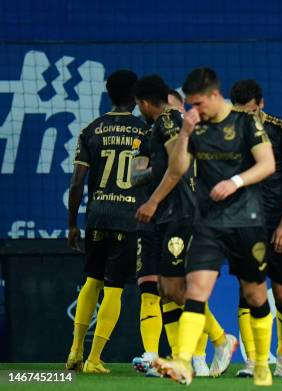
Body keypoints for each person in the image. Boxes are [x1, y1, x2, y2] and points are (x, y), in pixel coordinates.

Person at [139, 67, 276, 386]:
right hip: (206, 222)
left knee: (255, 294)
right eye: (189, 105)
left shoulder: (246, 123)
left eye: (197, 104)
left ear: (215, 96)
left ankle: (261, 366)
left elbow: (267, 164)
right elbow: (178, 169)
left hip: (245, 220)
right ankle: (184, 362)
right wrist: (185, 133)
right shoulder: (194, 127)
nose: (192, 110)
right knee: (196, 290)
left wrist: (236, 181)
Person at [131, 75, 236, 378]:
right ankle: (182, 359)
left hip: (180, 213)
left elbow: (179, 167)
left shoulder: (166, 120)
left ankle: (220, 339)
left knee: (177, 289)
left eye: (140, 106)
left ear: (145, 103)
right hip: (176, 213)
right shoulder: (174, 121)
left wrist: (152, 201)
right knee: (168, 289)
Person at [65, 70, 147, 373]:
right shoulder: (144, 132)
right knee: (114, 289)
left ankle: (75, 350)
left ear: (109, 93)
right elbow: (141, 178)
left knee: (91, 281)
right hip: (128, 220)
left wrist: (73, 224)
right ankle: (94, 358)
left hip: (97, 216)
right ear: (135, 98)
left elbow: (77, 182)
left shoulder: (91, 129)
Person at [230, 79, 282, 378]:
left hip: (279, 223)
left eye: (249, 112)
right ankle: (253, 361)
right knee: (247, 291)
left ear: (260, 104)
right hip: (245, 224)